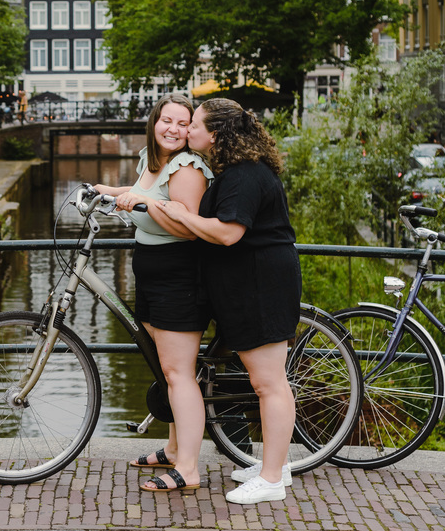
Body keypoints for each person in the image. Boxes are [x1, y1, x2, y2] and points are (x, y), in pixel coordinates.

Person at [158, 97, 300, 505]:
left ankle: (272, 478)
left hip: (261, 286)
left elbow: (227, 233)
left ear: (215, 135)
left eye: (195, 125)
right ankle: (275, 465)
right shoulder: (237, 172)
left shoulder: (243, 176)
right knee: (265, 382)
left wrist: (179, 214)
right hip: (249, 284)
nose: (188, 131)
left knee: (269, 383)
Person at [92, 93, 211, 493]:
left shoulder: (188, 167)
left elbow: (188, 225)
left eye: (183, 123)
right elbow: (145, 190)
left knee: (179, 374)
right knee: (167, 370)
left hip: (180, 276)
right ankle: (175, 448)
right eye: (167, 121)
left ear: (191, 129)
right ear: (154, 122)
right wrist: (107, 190)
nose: (174, 130)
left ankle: (189, 469)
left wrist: (142, 201)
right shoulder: (152, 158)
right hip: (151, 273)